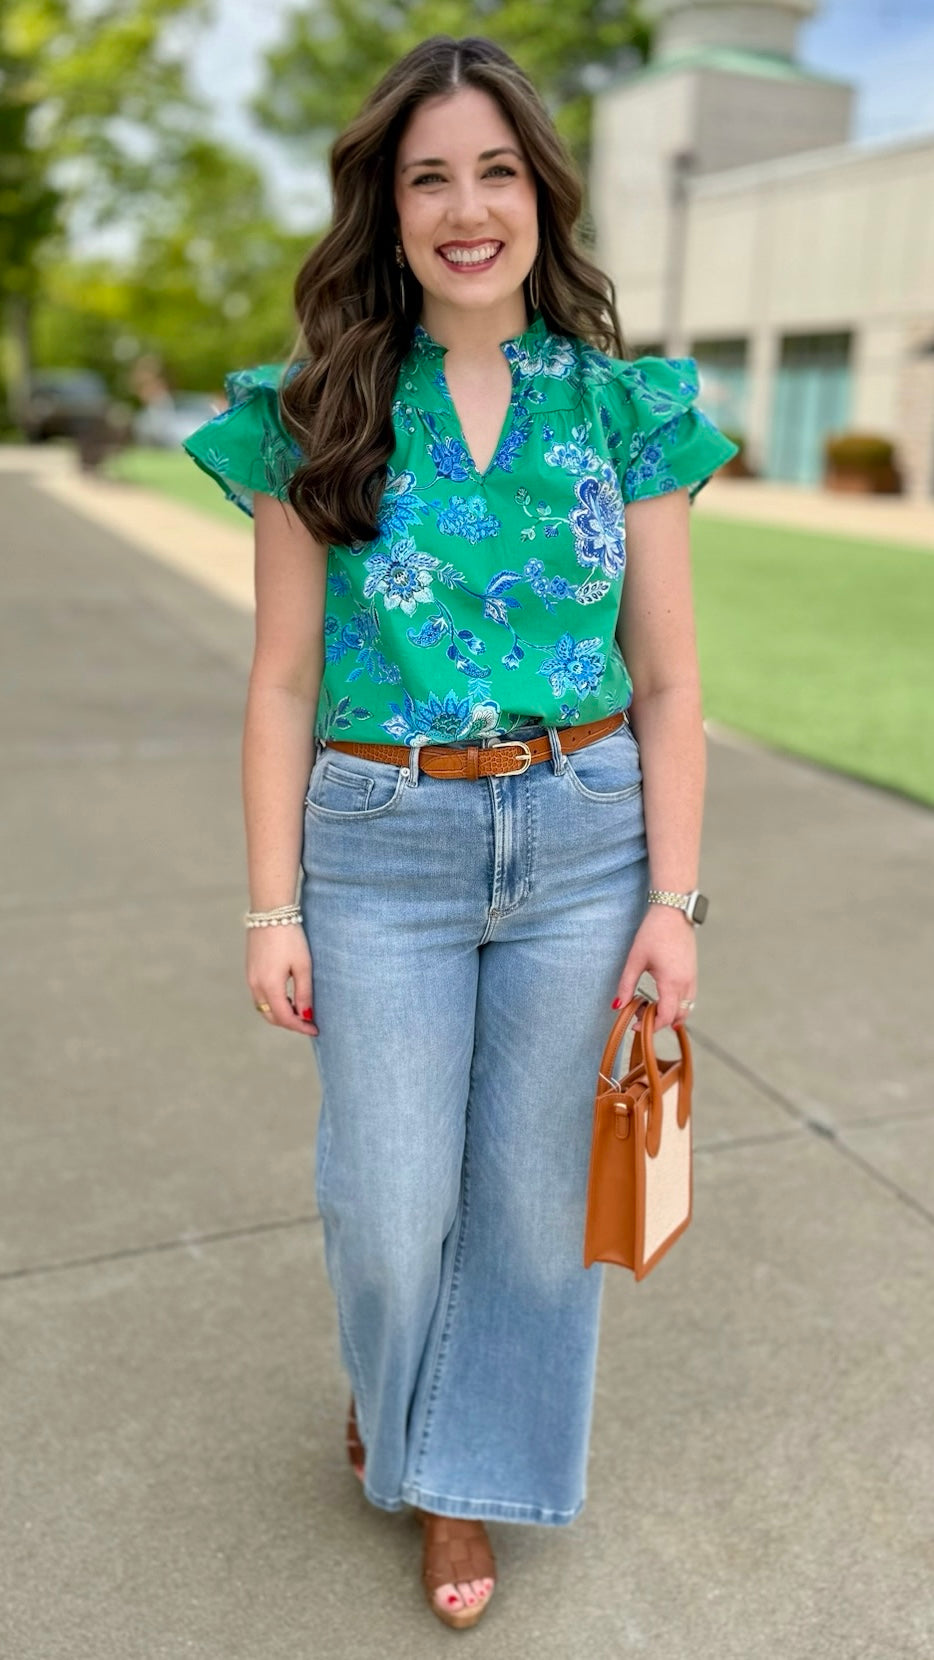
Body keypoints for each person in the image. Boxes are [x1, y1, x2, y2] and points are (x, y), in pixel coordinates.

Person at [181, 33, 738, 1631]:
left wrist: (673, 901)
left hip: (583, 838)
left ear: (541, 199)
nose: (466, 206)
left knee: (522, 1201)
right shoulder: (311, 410)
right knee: (386, 1194)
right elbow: (281, 682)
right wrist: (268, 908)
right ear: (389, 207)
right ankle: (399, 1392)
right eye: (430, 176)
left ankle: (455, 1486)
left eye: (495, 170)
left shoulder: (623, 409)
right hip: (379, 842)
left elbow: (671, 674)